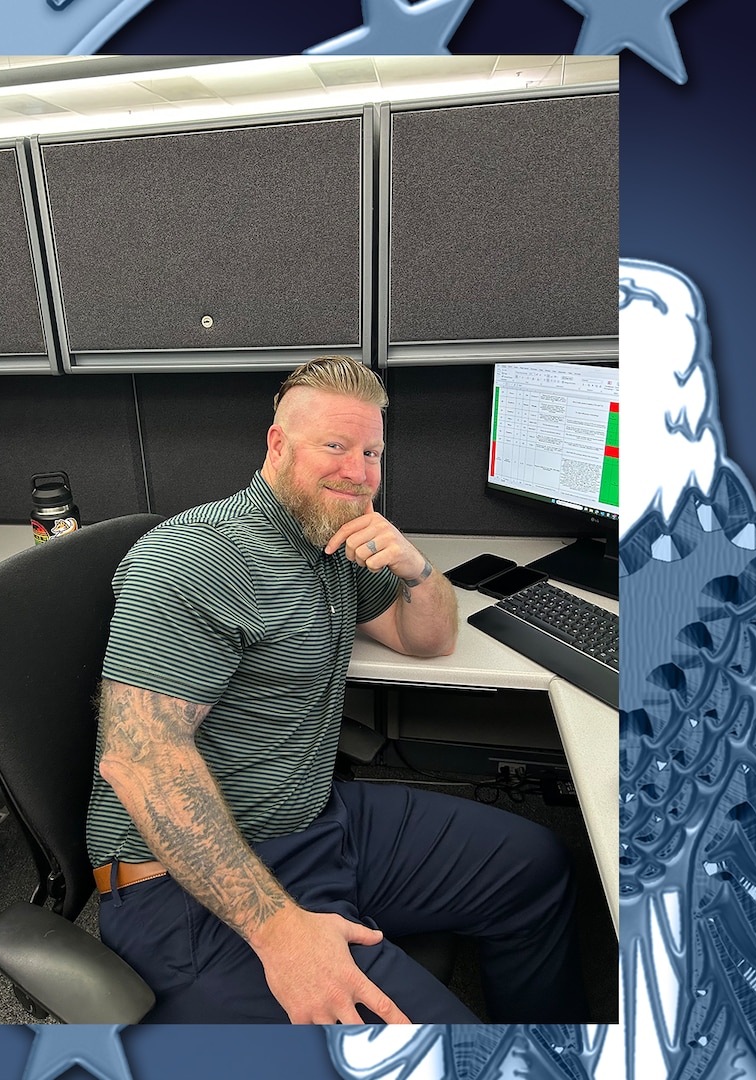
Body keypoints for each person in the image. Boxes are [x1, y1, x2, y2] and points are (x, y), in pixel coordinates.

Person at [86, 354, 584, 1024]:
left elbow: (426, 638)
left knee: (537, 867)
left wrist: (417, 570)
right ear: (277, 444)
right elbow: (138, 760)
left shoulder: (330, 541)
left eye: (372, 452)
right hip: (183, 882)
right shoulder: (198, 558)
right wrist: (281, 931)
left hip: (313, 823)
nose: (358, 472)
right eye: (335, 446)